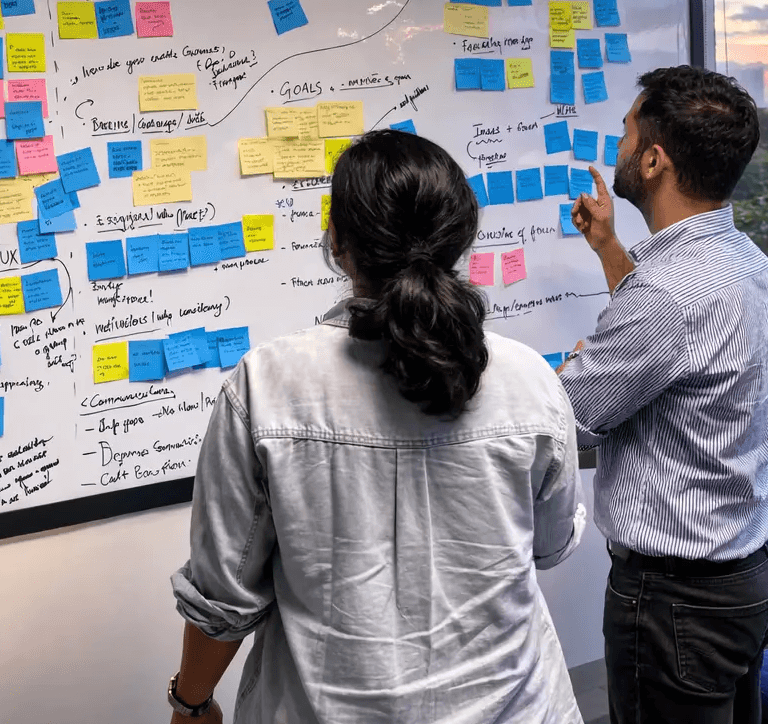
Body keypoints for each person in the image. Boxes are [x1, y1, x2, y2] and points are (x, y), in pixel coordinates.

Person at [168, 129, 586, 724]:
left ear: (337, 240)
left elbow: (223, 597)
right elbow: (550, 545)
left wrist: (190, 700)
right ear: (459, 237)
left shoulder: (265, 385)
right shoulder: (530, 379)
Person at [558, 66, 768, 724]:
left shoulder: (666, 297)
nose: (619, 145)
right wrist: (606, 245)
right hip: (749, 569)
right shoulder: (747, 263)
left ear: (655, 160)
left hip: (675, 599)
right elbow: (670, 337)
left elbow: (570, 420)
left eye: (627, 132)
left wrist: (577, 369)